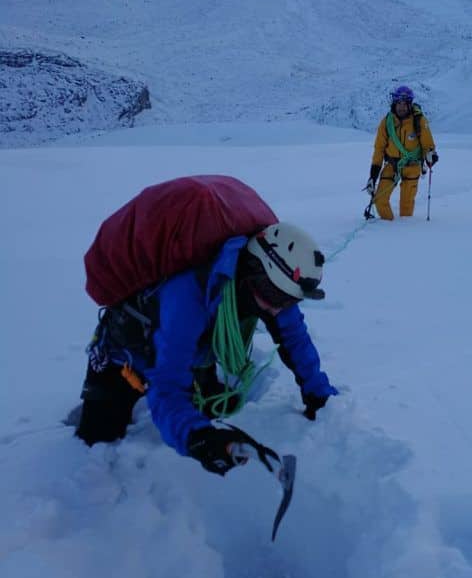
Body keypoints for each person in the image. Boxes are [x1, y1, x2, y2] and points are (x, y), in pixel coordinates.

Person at [76, 189, 337, 477]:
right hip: (126, 358)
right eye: (276, 299)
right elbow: (168, 386)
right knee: (97, 445)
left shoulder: (272, 284)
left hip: (198, 353)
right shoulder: (189, 296)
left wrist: (318, 393)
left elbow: (294, 337)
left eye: (289, 301)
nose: (279, 310)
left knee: (207, 405)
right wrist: (198, 438)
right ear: (254, 274)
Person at [364, 85, 438, 220]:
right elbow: (379, 149)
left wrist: (430, 155)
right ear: (394, 103)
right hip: (392, 165)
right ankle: (388, 229)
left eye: (405, 103)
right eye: (399, 103)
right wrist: (373, 177)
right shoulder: (387, 122)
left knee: (406, 206)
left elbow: (428, 145)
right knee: (380, 200)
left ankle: (404, 234)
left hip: (412, 166)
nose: (401, 107)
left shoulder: (419, 121)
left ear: (410, 104)